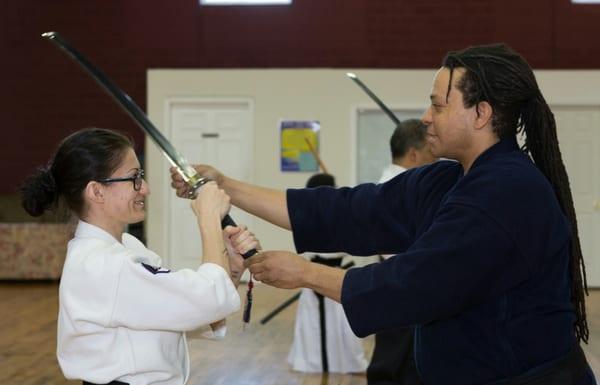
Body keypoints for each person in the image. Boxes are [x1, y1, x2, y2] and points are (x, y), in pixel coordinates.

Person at [172, 44, 596, 384]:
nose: (426, 118)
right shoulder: (448, 181)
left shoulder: (507, 192)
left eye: (439, 106)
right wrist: (226, 185)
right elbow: (348, 210)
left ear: (481, 113)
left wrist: (306, 274)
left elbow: (416, 284)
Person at [21, 127, 259, 385]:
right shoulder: (103, 265)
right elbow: (207, 301)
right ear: (97, 192)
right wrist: (209, 218)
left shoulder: (128, 247)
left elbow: (185, 310)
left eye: (141, 176)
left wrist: (231, 268)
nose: (144, 188)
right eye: (134, 178)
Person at [369, 119, 437, 385]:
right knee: (396, 366)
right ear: (413, 154)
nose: (435, 161)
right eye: (431, 153)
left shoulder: (402, 185)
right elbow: (394, 252)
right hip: (401, 288)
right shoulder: (396, 190)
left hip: (402, 287)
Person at [287, 172, 368, 374]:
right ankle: (317, 363)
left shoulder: (337, 217)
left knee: (340, 326)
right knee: (321, 326)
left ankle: (343, 363)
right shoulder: (314, 220)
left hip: (336, 278)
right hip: (320, 278)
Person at [378, 119, 437, 184]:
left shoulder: (388, 182)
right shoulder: (404, 188)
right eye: (431, 152)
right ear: (413, 155)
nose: (437, 159)